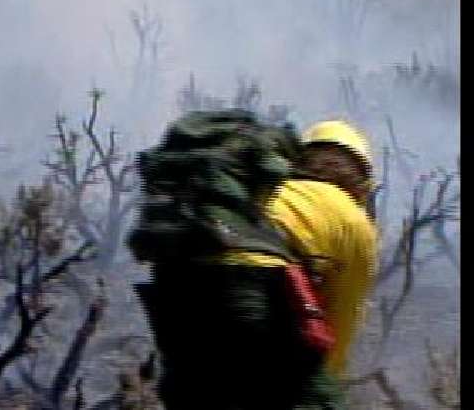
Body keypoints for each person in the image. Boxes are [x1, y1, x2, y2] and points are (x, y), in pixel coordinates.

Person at [131, 113, 377, 409]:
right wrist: (321, 378)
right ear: (361, 180)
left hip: (176, 286)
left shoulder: (262, 189)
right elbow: (342, 315)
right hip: (249, 290)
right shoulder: (351, 216)